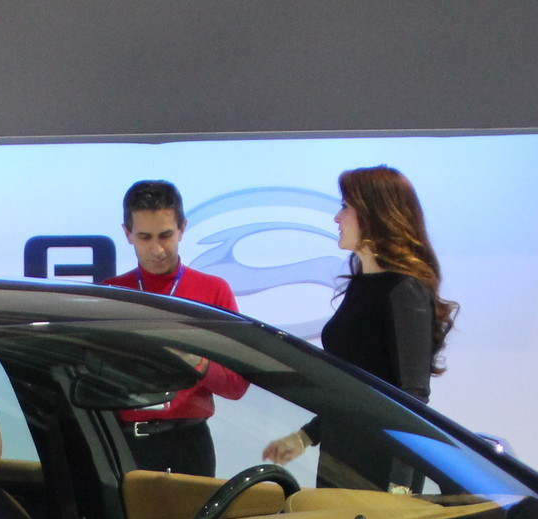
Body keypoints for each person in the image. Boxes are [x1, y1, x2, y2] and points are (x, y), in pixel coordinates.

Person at [264, 166, 457, 476]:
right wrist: (304, 437)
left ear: (374, 213)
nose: (336, 219)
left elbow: (412, 399)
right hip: (342, 458)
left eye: (344, 207)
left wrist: (399, 482)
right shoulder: (362, 284)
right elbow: (354, 391)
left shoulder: (403, 289)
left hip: (380, 468)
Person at [100, 179, 249, 477]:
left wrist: (195, 360)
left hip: (188, 442)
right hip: (123, 441)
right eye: (145, 237)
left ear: (182, 228)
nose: (157, 249)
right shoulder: (110, 294)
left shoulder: (213, 291)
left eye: (166, 235)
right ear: (127, 233)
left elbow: (236, 385)